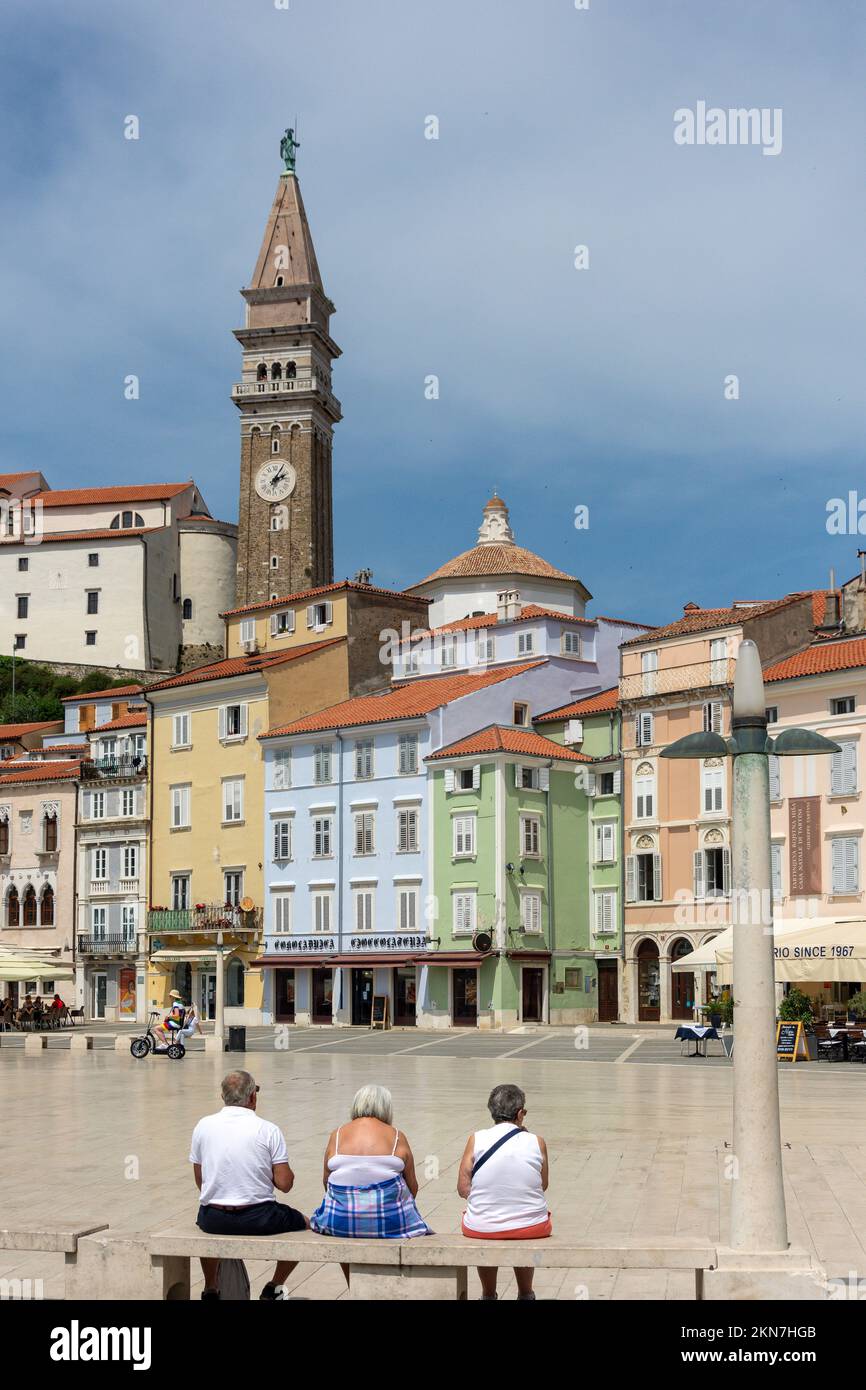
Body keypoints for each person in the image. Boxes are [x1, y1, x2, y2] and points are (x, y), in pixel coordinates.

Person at [190, 1070, 308, 1301]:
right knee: (305, 1225)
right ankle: (274, 1286)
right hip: (259, 1217)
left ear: (222, 1096)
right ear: (252, 1097)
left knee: (206, 1223)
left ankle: (211, 1288)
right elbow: (285, 1184)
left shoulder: (203, 1126)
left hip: (213, 1218)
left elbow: (200, 1180)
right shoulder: (268, 1129)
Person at [311, 1085, 430, 1278]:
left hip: (339, 1222)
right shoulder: (397, 1135)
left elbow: (326, 1181)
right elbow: (413, 1186)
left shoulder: (338, 1134)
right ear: (386, 1108)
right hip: (391, 1223)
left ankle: (354, 1287)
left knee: (343, 1231)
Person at [457, 1083, 550, 1301]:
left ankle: (488, 1295)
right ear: (520, 1113)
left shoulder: (476, 1139)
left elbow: (463, 1188)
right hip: (532, 1227)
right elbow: (542, 1185)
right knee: (522, 1220)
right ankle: (526, 1293)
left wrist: (488, 1196)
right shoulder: (537, 1142)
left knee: (485, 1220)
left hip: (482, 1227)